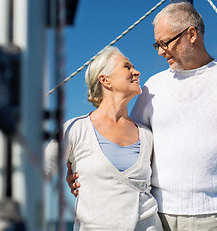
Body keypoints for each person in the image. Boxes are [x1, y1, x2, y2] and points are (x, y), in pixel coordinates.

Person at [66, 2, 217, 231]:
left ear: (191, 34)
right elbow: (131, 147)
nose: (161, 51)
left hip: (216, 219)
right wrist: (80, 169)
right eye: (157, 45)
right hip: (158, 218)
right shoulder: (153, 87)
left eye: (165, 43)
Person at [45, 46, 163, 231]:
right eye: (127, 67)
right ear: (105, 80)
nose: (136, 71)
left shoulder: (147, 134)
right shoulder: (74, 129)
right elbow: (38, 174)